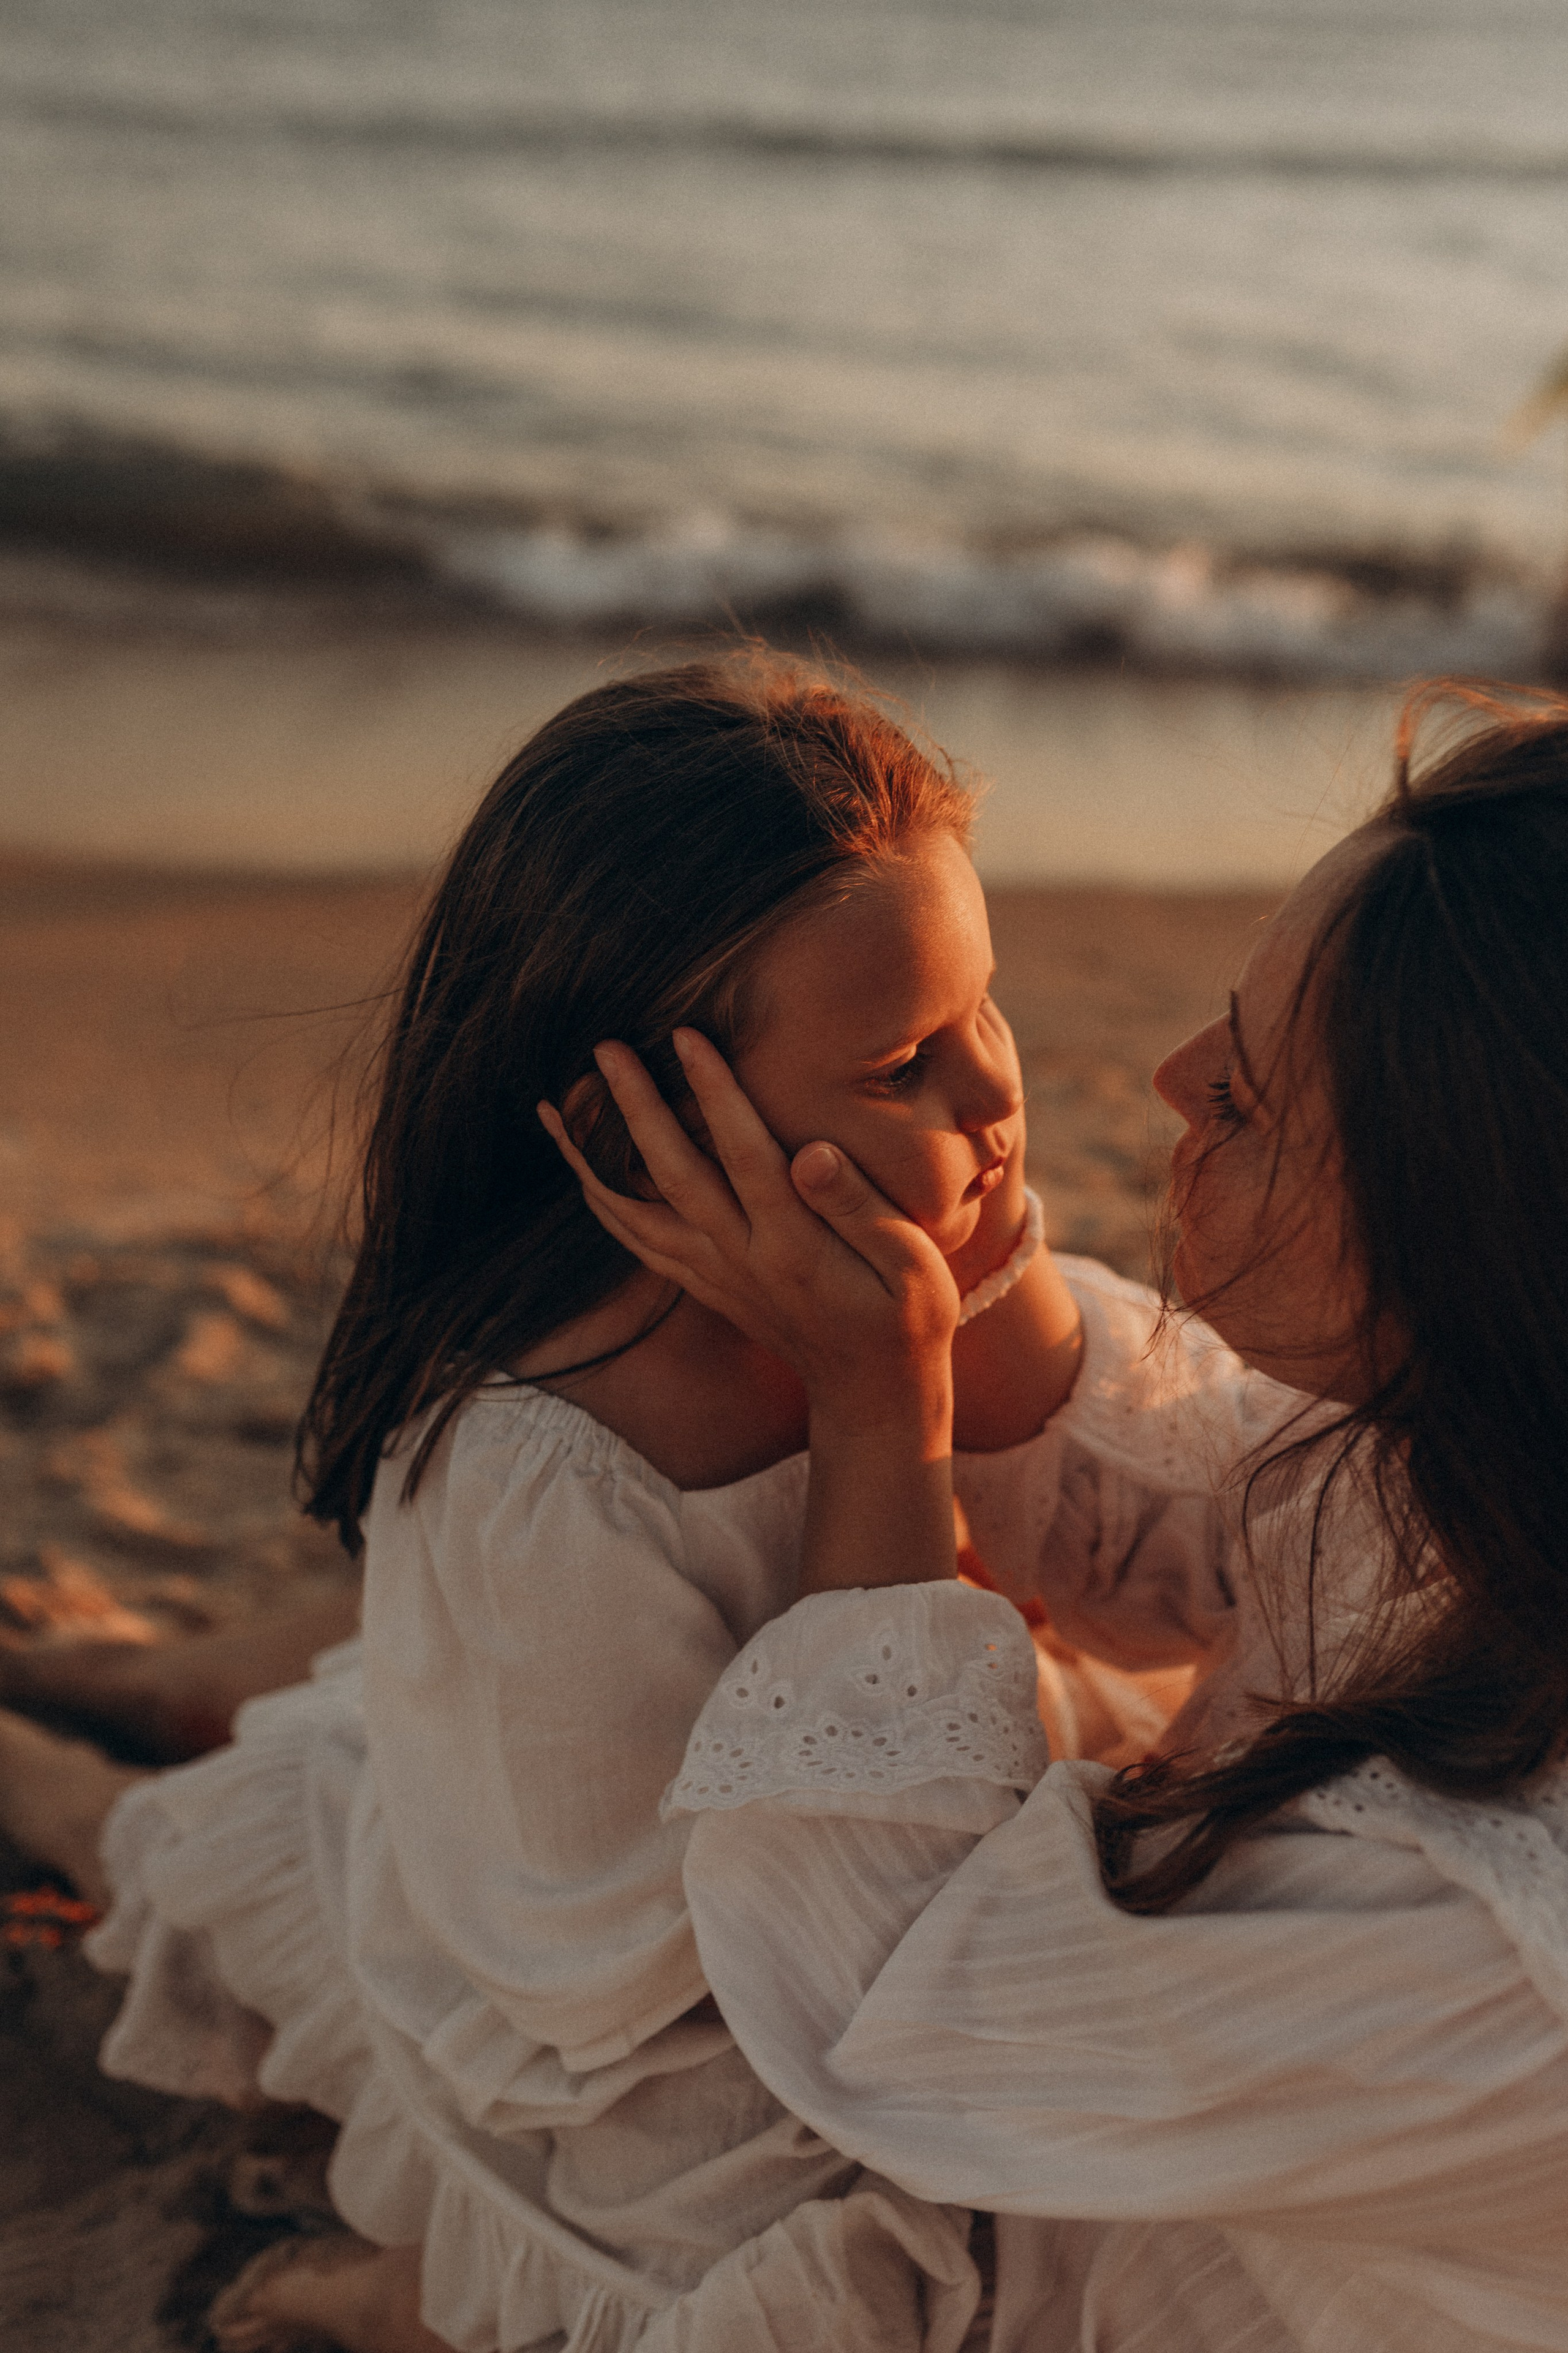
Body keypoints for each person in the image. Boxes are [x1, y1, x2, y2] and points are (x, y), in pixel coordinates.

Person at [0, 650, 1235, 2353]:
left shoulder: (927, 1244)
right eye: (902, 1066)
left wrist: (941, 1328)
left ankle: (145, 1688)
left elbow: (1103, 1530)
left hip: (883, 1837)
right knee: (244, 1839)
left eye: (985, 1008)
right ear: (645, 1122)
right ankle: (53, 1765)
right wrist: (887, 1400)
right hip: (655, 1992)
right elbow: (706, 1975)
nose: (995, 1099)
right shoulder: (551, 1467)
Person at [560, 686, 1568, 2353]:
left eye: (1243, 1100)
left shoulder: (1494, 1948)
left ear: (1477, 1251)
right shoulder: (1500, 1446)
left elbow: (908, 2007)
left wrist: (881, 1399)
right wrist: (964, 1278)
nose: (1168, 1079)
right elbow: (1231, 1511)